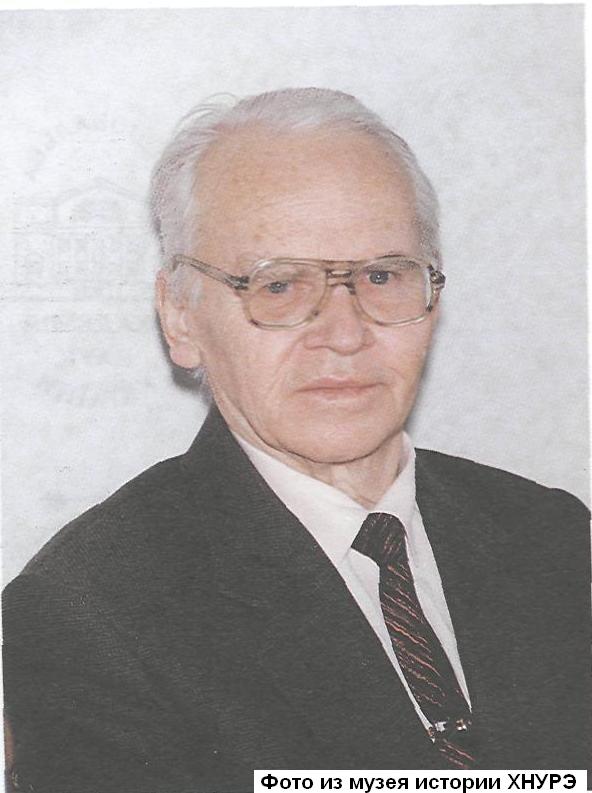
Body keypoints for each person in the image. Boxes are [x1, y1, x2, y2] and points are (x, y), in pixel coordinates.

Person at [3, 88, 589, 793]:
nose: (344, 334)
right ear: (180, 316)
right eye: (279, 286)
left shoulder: (552, 535)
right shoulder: (92, 614)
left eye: (381, 276)